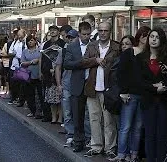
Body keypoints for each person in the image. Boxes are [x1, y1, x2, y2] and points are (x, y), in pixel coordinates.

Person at [79, 22, 120, 158]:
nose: (103, 33)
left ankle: (110, 147)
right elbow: (83, 62)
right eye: (101, 30)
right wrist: (95, 60)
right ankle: (96, 146)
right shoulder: (91, 45)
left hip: (108, 89)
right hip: (92, 87)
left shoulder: (116, 47)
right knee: (94, 118)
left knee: (109, 120)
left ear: (110, 32)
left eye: (105, 30)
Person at [112, 26, 151, 162]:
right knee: (126, 126)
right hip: (129, 94)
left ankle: (133, 154)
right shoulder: (129, 52)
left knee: (138, 127)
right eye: (144, 36)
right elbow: (121, 73)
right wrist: (123, 92)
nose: (147, 39)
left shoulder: (150, 54)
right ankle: (122, 153)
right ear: (139, 37)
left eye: (149, 36)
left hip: (144, 95)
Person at [136, 27, 167, 162]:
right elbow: (138, 82)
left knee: (162, 135)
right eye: (152, 37)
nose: (154, 39)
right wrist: (153, 88)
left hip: (164, 101)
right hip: (148, 101)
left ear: (161, 39)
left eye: (157, 37)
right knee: (150, 134)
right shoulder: (140, 58)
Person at [64, 22, 91, 152]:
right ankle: (78, 141)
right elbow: (67, 64)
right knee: (77, 116)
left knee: (91, 115)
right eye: (84, 34)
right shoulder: (72, 46)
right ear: (79, 34)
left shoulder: (94, 45)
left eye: (88, 34)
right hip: (77, 85)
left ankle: (91, 140)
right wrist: (81, 63)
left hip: (91, 84)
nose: (86, 36)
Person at [21, 35, 43, 118]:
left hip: (38, 74)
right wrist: (31, 62)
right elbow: (22, 63)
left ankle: (40, 111)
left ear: (35, 41)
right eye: (29, 41)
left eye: (32, 40)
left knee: (40, 94)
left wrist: (38, 61)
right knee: (30, 94)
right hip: (28, 75)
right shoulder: (25, 51)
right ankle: (32, 110)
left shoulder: (39, 51)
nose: (30, 42)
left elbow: (42, 60)